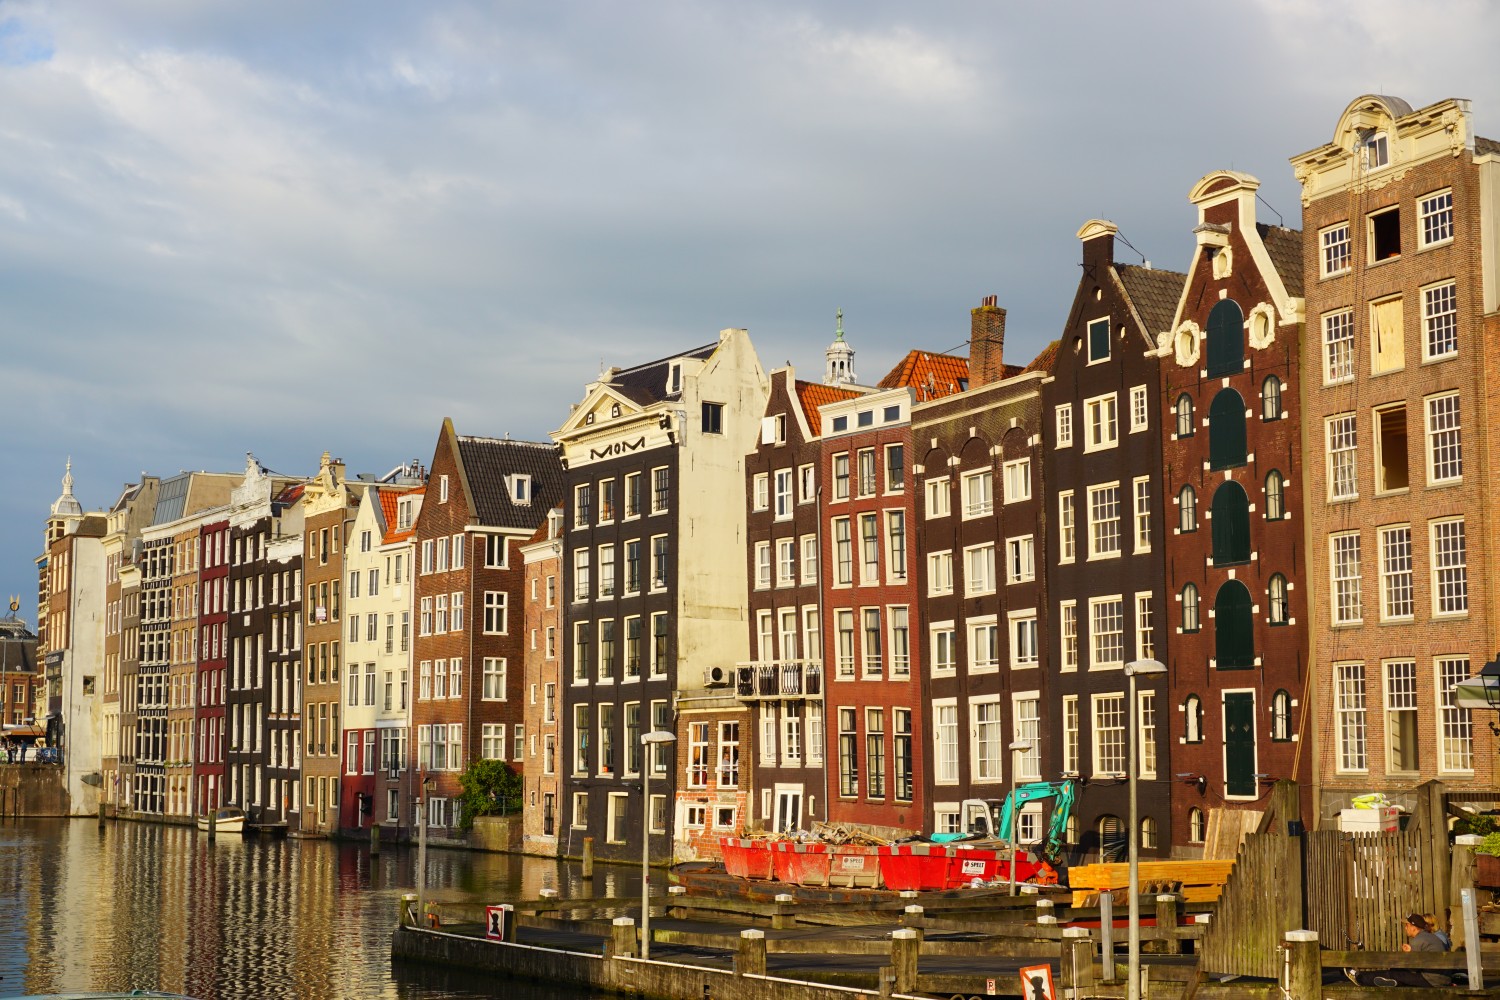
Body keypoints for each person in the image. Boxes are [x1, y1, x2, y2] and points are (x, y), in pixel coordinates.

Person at [1346, 914, 1450, 987]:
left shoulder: (1419, 940)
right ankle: (1394, 981)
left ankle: (1360, 979)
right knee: (1396, 972)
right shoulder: (1428, 937)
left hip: (1431, 980)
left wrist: (1408, 955)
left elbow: (1412, 968)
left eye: (1407, 925)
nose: (1405, 928)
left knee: (1393, 973)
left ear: (1414, 927)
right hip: (1441, 978)